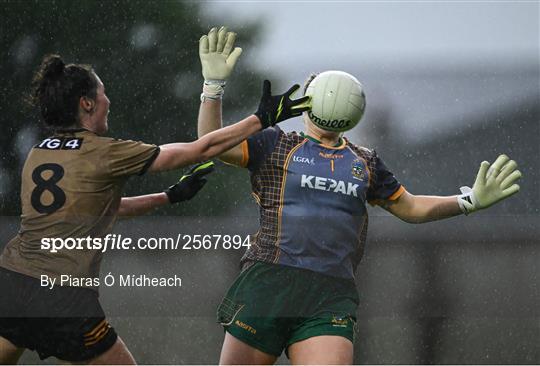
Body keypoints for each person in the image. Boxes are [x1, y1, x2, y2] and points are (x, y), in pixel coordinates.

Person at [0, 26, 309, 364]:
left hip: (13, 284)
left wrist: (169, 197)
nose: (109, 100)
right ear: (86, 103)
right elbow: (199, 149)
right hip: (63, 297)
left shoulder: (39, 152)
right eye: (103, 93)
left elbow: (101, 209)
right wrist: (261, 118)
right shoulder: (104, 152)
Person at [197, 70, 522, 364]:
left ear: (309, 104)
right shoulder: (275, 143)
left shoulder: (365, 162)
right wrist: (212, 88)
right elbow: (209, 145)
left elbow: (410, 208)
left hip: (329, 295)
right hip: (270, 284)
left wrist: (468, 201)